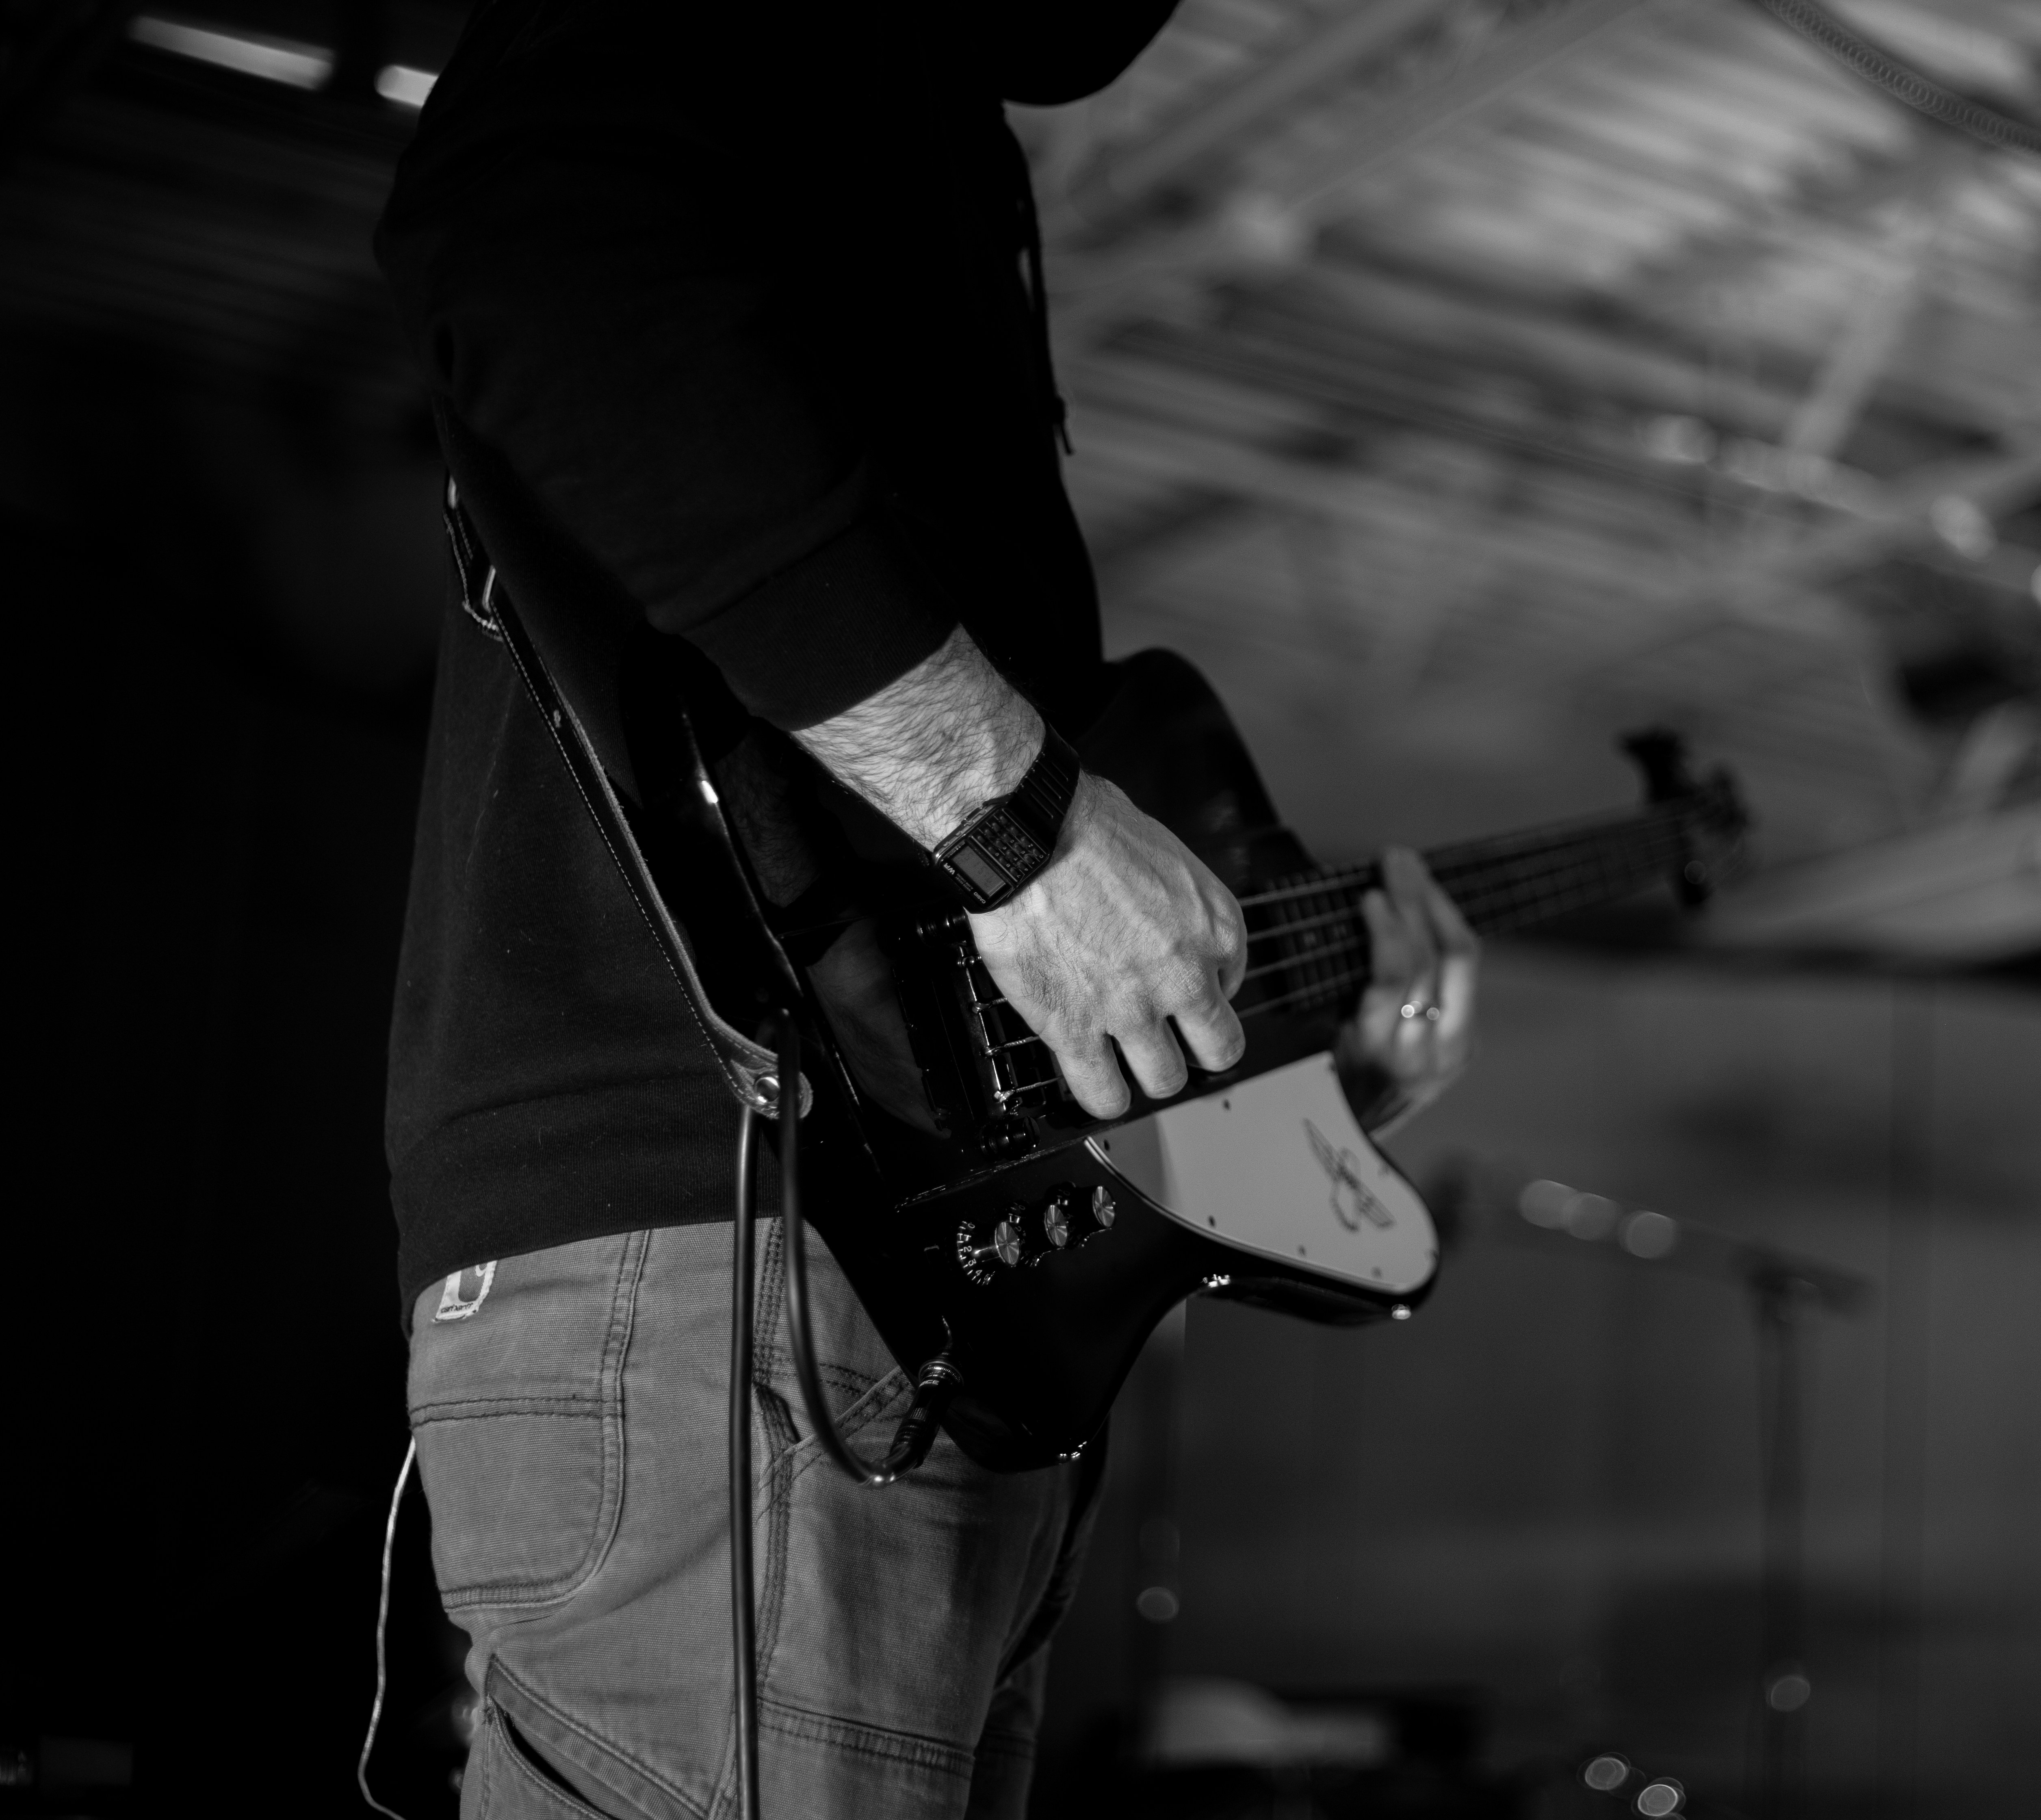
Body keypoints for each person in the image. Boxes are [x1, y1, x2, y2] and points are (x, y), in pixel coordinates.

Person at [371, 4, 1482, 1816]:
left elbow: (984, 995)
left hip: (902, 1317)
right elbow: (529, 235)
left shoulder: (929, 123)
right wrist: (1023, 828)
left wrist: (1305, 1065)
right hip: (731, 1256)